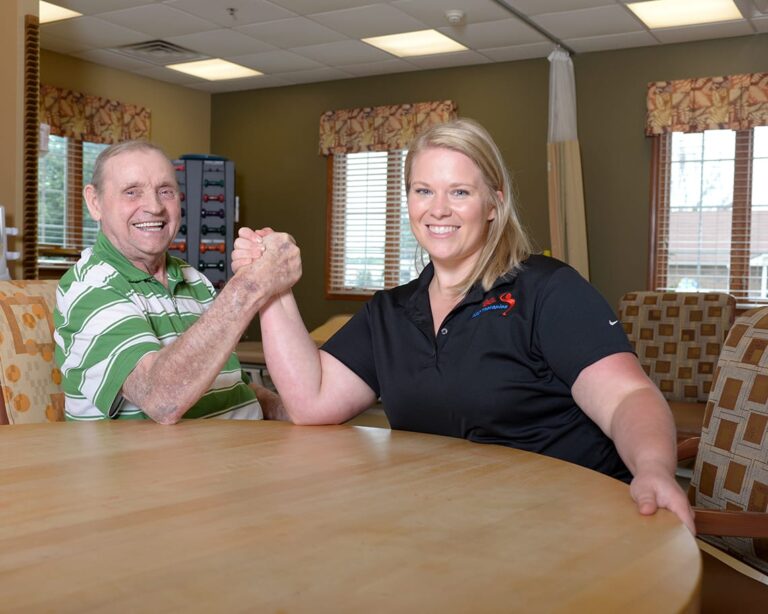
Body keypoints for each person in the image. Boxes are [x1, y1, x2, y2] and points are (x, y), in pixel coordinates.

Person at [233, 118, 695, 533]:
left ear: (493, 203)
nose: (438, 209)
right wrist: (269, 288)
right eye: (423, 191)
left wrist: (653, 468)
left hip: (566, 524)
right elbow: (311, 401)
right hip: (454, 527)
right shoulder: (391, 311)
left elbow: (627, 397)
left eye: (459, 192)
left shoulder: (547, 289)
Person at [54, 140, 299, 423]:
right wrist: (250, 287)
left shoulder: (195, 280)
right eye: (132, 192)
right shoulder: (88, 288)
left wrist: (291, 412)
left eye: (165, 191)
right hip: (166, 454)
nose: (154, 207)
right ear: (95, 202)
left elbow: (234, 387)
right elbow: (161, 399)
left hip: (249, 444)